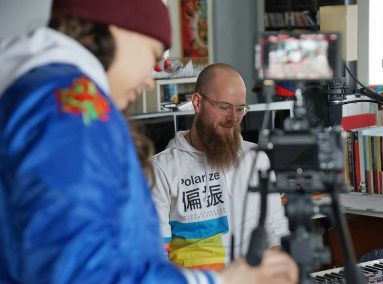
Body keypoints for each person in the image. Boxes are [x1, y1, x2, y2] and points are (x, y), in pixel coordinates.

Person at [0, 1, 298, 283]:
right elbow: (82, 272)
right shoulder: (71, 109)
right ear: (121, 30)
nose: (148, 80)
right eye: (153, 55)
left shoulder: (44, 95)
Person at [151, 63, 289, 270]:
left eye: (240, 109)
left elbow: (275, 229)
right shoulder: (160, 169)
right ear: (197, 102)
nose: (233, 118)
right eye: (224, 107)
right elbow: (156, 257)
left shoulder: (256, 158)